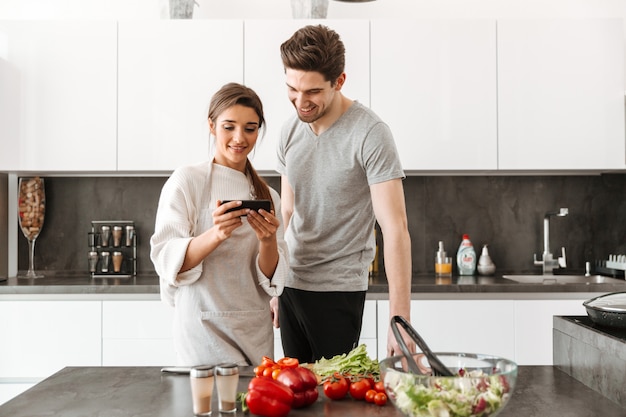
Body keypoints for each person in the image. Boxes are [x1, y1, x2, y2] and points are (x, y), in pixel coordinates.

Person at [274, 24, 415, 362]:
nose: (300, 101)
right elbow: (288, 214)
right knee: (298, 394)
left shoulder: (370, 133)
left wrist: (401, 319)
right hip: (291, 287)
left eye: (312, 92)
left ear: (339, 82)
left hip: (338, 289)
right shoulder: (289, 131)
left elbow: (395, 228)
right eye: (292, 88)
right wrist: (275, 286)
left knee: (336, 403)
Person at [151, 82, 287, 367]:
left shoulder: (267, 196)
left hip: (254, 332)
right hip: (201, 332)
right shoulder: (186, 181)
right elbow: (167, 260)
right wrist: (217, 234)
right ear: (212, 126)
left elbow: (273, 281)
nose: (240, 138)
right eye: (229, 127)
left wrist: (267, 240)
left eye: (250, 128)